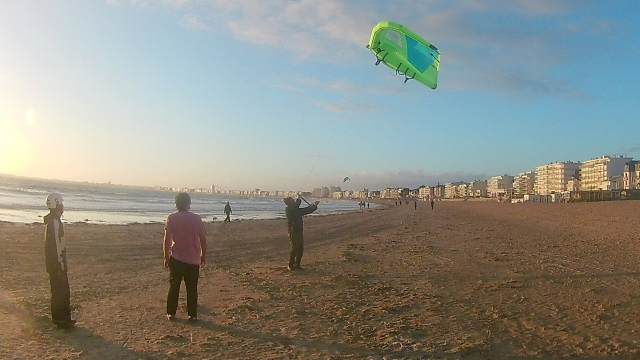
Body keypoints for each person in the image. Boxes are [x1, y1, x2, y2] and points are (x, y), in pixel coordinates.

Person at [163, 193, 207, 322]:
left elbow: (166, 240)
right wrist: (203, 256)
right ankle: (192, 315)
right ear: (188, 204)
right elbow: (203, 239)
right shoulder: (196, 219)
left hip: (176, 257)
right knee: (192, 288)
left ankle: (171, 313)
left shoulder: (172, 218)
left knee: (174, 286)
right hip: (193, 259)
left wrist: (166, 256)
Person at [44, 193, 75, 329]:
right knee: (61, 291)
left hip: (55, 263)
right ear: (57, 204)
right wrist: (60, 263)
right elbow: (56, 245)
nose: (63, 206)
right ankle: (62, 319)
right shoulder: (54, 223)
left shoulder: (53, 221)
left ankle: (61, 318)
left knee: (59, 290)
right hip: (56, 263)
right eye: (61, 203)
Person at [284, 196, 318, 271]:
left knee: (300, 248)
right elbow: (296, 207)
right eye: (292, 200)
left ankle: (297, 264)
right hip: (293, 231)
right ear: (289, 202)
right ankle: (290, 264)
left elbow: (306, 210)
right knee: (295, 248)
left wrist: (314, 206)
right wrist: (298, 199)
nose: (293, 200)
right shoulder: (289, 210)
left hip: (299, 231)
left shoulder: (296, 209)